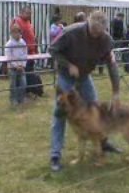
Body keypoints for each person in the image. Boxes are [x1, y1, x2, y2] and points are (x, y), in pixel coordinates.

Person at [49, 10, 122, 172]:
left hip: (84, 76)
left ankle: (103, 143)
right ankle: (55, 155)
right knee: (60, 112)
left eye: (99, 33)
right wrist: (68, 65)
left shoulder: (106, 40)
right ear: (88, 22)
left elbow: (112, 66)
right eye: (93, 31)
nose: (95, 35)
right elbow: (52, 50)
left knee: (95, 110)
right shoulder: (71, 32)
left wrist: (116, 93)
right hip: (66, 76)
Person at [5, 24, 27, 106]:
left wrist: (23, 65)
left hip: (21, 67)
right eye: (14, 33)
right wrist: (15, 66)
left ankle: (21, 99)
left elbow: (25, 54)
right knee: (13, 85)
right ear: (11, 33)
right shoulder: (8, 44)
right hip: (12, 68)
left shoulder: (23, 42)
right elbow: (9, 57)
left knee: (23, 83)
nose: (17, 34)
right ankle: (13, 100)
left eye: (18, 32)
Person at [11, 6, 38, 71]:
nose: (29, 15)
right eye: (28, 13)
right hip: (23, 52)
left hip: (31, 51)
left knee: (30, 71)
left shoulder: (28, 21)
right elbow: (15, 35)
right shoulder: (17, 21)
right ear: (22, 13)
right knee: (26, 71)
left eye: (30, 13)